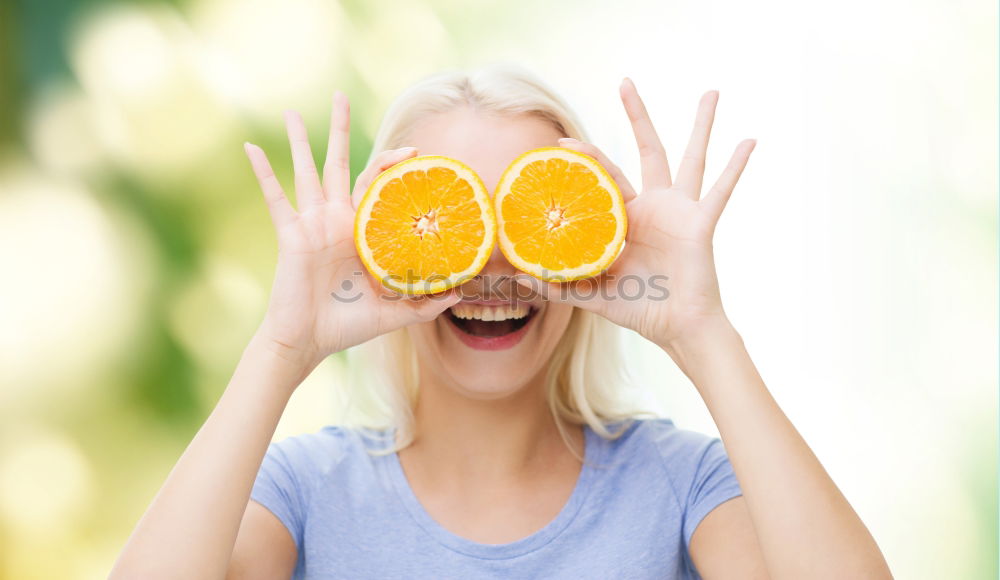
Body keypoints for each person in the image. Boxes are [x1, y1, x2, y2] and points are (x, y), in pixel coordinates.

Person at [110, 65, 893, 579]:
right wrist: (282, 348)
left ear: (595, 239)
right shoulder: (304, 491)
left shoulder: (684, 484)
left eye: (528, 217)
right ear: (379, 244)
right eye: (449, 220)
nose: (491, 266)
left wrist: (703, 335)